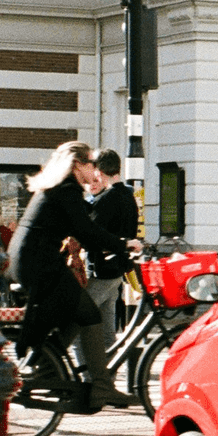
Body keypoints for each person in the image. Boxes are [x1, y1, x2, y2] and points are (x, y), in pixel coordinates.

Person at [7, 140, 134, 385]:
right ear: (78, 165)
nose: (96, 169)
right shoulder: (67, 189)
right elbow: (86, 231)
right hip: (39, 264)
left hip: (28, 261)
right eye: (92, 163)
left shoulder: (58, 187)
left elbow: (81, 225)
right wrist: (124, 244)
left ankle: (50, 368)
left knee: (75, 314)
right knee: (87, 312)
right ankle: (97, 385)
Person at [77, 149, 144, 402]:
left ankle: (89, 382)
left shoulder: (107, 199)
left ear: (100, 170)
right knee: (106, 332)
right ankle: (108, 384)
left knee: (80, 323)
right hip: (117, 272)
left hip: (102, 271)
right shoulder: (128, 195)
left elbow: (91, 233)